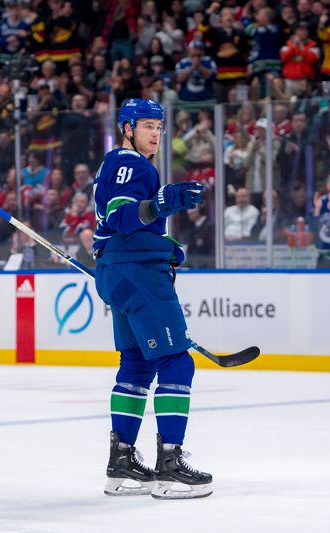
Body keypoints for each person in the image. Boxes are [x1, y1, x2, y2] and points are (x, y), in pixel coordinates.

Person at [93, 98, 211, 500]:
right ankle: (170, 465)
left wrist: (164, 243)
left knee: (138, 364)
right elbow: (120, 219)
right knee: (177, 361)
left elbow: (123, 228)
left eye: (159, 127)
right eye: (146, 126)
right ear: (127, 129)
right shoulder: (133, 165)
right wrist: (162, 203)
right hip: (139, 274)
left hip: (117, 272)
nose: (155, 134)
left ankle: (122, 460)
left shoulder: (118, 163)